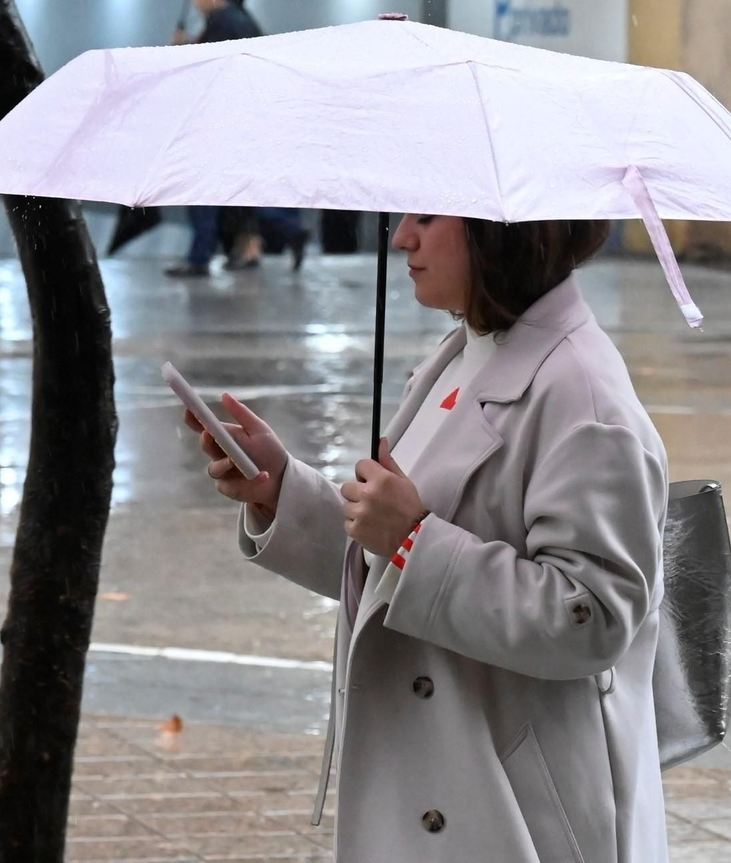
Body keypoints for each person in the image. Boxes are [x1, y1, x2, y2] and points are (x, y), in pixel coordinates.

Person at [185, 214, 669, 862]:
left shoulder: (583, 396)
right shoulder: (464, 353)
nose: (401, 237)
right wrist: (283, 494)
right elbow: (394, 565)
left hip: (516, 815)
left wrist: (414, 540)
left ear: (499, 229)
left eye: (428, 216)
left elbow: (594, 619)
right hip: (433, 786)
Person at [165, 0, 308, 276]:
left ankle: (202, 257)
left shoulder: (222, 22)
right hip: (242, 118)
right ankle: (285, 229)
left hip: (223, 120)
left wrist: (183, 48)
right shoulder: (239, 20)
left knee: (204, 186)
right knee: (235, 189)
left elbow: (211, 67)